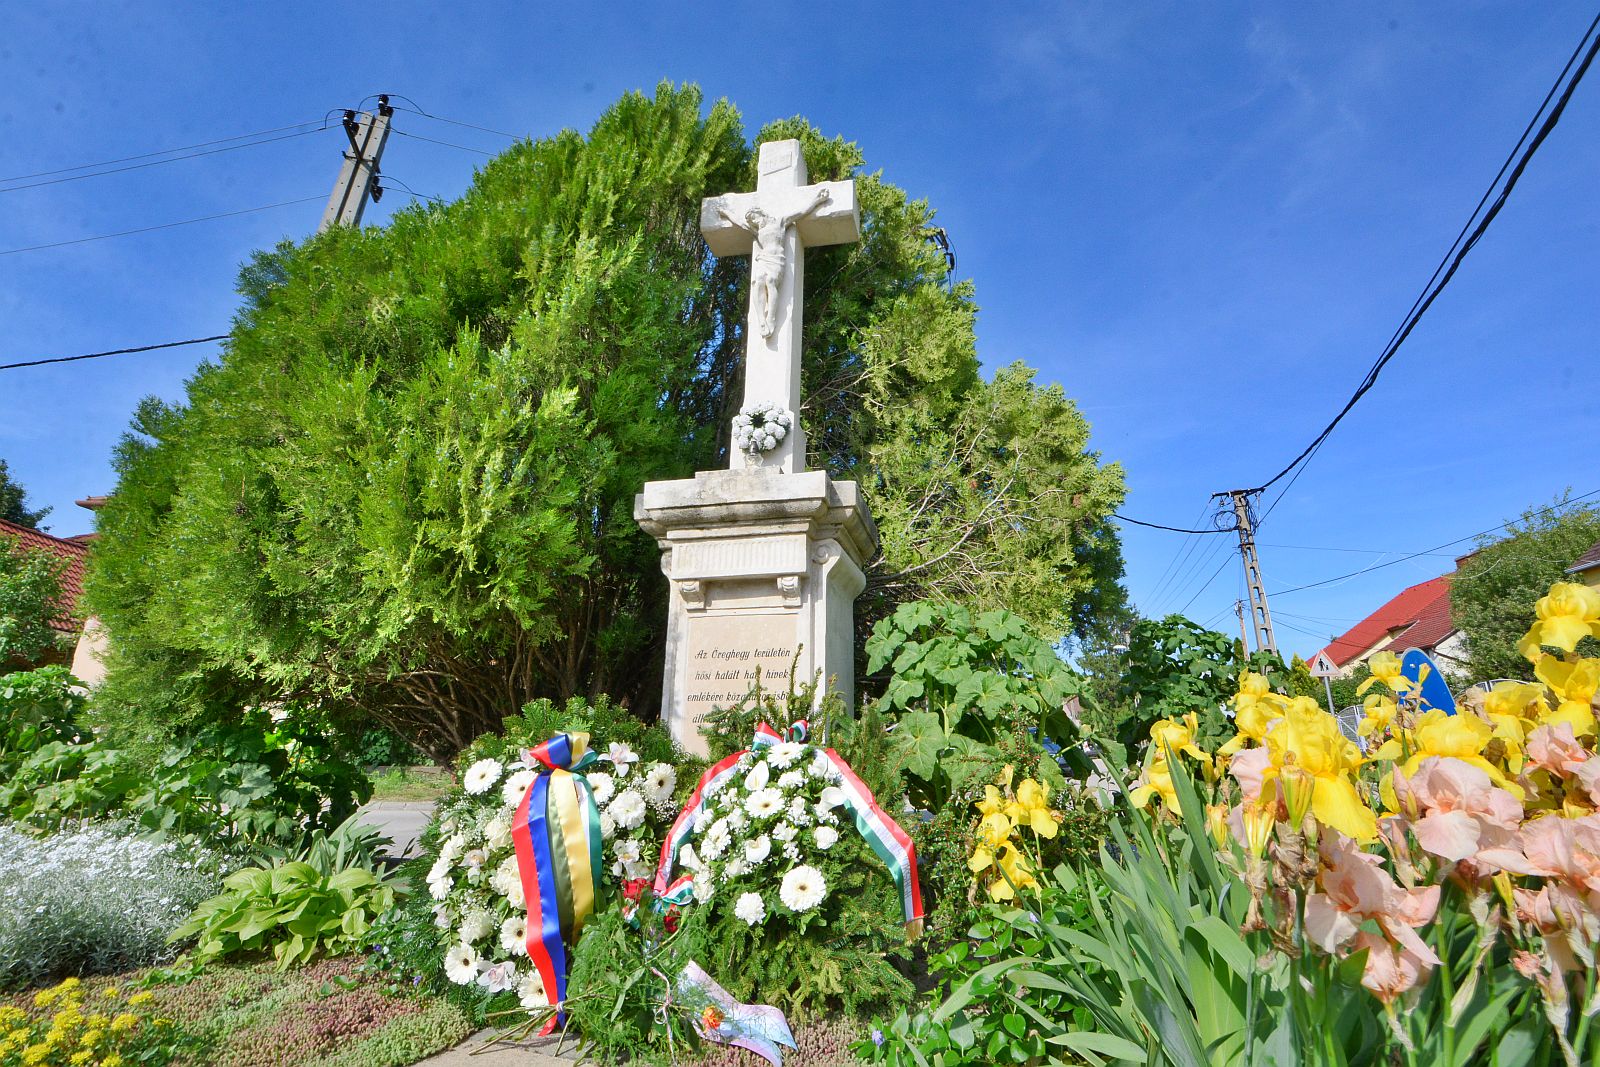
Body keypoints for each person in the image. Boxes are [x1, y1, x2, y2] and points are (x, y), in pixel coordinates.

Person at [717, 186, 831, 338]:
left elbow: (801, 212)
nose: (754, 222)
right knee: (758, 282)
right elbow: (739, 222)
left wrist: (817, 200)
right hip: (764, 258)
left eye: (754, 218)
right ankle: (761, 320)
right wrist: (725, 212)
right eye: (752, 221)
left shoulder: (780, 222)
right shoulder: (757, 231)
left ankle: (771, 316)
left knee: (770, 281)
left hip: (777, 259)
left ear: (761, 213)